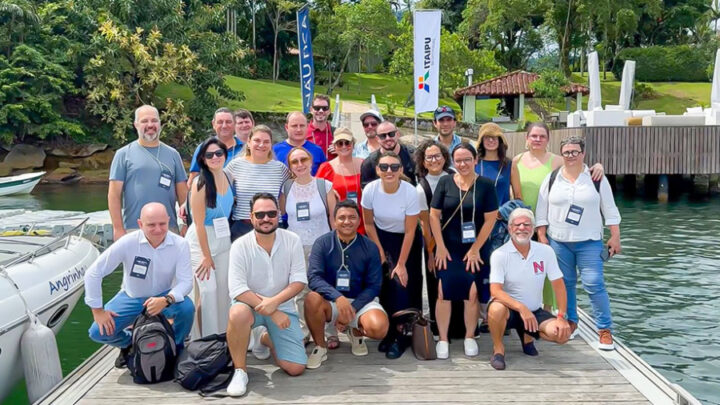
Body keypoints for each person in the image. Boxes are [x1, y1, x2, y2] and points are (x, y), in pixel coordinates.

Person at [536, 136, 622, 351]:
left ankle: (604, 329)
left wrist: (615, 235)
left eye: (575, 152)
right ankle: (571, 322)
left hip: (589, 242)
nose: (571, 156)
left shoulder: (596, 178)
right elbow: (541, 209)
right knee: (565, 284)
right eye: (566, 152)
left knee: (594, 283)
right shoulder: (552, 178)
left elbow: (609, 208)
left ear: (583, 154)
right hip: (559, 241)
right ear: (561, 154)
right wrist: (542, 235)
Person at [85, 203, 194, 367]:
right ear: (140, 224)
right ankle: (130, 344)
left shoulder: (180, 244)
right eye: (151, 225)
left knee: (187, 309)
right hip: (132, 297)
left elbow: (186, 281)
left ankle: (175, 347)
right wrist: (98, 311)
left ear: (169, 221)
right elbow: (93, 273)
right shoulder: (128, 242)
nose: (158, 229)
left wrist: (167, 299)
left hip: (164, 296)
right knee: (97, 332)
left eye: (162, 224)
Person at [510, 122, 604, 311]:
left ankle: (548, 308)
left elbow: (580, 168)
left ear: (548, 140)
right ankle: (523, 305)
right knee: (522, 266)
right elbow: (514, 192)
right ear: (526, 138)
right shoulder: (516, 161)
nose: (537, 140)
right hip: (523, 222)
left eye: (542, 136)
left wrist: (598, 166)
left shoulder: (556, 161)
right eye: (533, 136)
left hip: (550, 222)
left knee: (548, 267)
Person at [226, 193, 307, 396]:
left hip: (283, 307)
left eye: (271, 213)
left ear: (278, 215)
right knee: (237, 313)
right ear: (251, 217)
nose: (266, 219)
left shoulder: (292, 240)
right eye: (260, 214)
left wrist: (275, 304)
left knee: (295, 368)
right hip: (249, 307)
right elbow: (237, 288)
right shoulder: (239, 246)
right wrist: (272, 311)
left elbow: (299, 281)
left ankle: (263, 338)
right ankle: (240, 371)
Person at [429, 142, 498, 359]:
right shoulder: (445, 182)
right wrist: (439, 245)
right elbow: (433, 215)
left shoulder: (486, 185)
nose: (463, 164)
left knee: (472, 292)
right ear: (453, 161)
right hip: (448, 248)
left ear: (475, 160)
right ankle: (442, 338)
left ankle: (470, 335)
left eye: (467, 159)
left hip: (475, 248)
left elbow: (490, 220)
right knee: (443, 292)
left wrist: (477, 248)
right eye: (458, 160)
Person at [304, 200, 389, 369]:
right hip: (332, 301)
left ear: (359, 220)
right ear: (334, 220)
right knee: (311, 299)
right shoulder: (322, 243)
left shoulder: (370, 247)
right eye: (341, 217)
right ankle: (320, 346)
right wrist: (338, 298)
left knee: (378, 328)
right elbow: (314, 277)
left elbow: (374, 285)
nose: (347, 221)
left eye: (352, 217)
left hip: (361, 301)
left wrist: (353, 308)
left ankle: (355, 330)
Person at [487, 208, 571, 370]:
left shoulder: (546, 251)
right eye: (517, 224)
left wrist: (561, 316)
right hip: (510, 310)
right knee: (496, 309)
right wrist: (521, 308)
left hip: (534, 311)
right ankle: (498, 349)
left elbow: (559, 285)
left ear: (533, 229)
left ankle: (527, 336)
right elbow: (495, 291)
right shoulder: (499, 254)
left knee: (561, 335)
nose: (522, 228)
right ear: (510, 228)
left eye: (527, 224)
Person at [361, 151, 422, 359]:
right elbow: (368, 224)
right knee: (385, 285)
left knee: (402, 284)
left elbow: (410, 231)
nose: (389, 171)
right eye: (384, 167)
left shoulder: (410, 191)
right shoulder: (370, 190)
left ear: (401, 170)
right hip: (381, 238)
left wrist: (401, 263)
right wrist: (380, 252)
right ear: (377, 170)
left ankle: (403, 337)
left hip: (407, 241)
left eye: (394, 167)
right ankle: (388, 332)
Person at [279, 146, 336, 341]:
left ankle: (330, 332)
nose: (300, 164)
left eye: (303, 159)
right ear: (290, 166)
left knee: (324, 288)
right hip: (295, 247)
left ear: (311, 162)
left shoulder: (324, 186)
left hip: (322, 246)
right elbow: (282, 216)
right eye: (295, 162)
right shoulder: (286, 188)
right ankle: (304, 332)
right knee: (299, 291)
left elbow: (333, 218)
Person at [108, 105, 187, 239]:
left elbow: (183, 194)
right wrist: (118, 228)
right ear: (136, 124)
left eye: (154, 121)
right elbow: (114, 195)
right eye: (145, 121)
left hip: (168, 228)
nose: (150, 125)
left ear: (160, 124)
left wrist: (186, 224)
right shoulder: (123, 154)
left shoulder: (173, 154)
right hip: (134, 229)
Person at [185, 139, 233, 338]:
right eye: (209, 155)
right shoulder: (200, 183)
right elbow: (197, 223)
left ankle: (223, 336)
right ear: (203, 159)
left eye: (219, 153)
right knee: (207, 292)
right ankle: (203, 340)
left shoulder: (229, 177)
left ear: (225, 155)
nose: (215, 158)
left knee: (224, 291)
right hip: (201, 240)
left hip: (223, 239)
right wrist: (206, 256)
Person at [414, 140, 462, 336]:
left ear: (445, 158)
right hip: (434, 238)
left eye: (437, 156)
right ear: (423, 162)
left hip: (458, 237)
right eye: (429, 157)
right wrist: (431, 252)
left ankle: (460, 326)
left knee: (459, 280)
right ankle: (438, 327)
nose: (434, 160)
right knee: (436, 282)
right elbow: (425, 224)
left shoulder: (456, 177)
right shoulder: (421, 188)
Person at [224, 125, 290, 240]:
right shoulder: (235, 165)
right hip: (242, 228)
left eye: (266, 142)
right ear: (249, 142)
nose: (261, 145)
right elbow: (217, 186)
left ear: (271, 145)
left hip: (272, 227)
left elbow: (294, 190)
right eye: (257, 140)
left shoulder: (280, 168)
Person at [317, 128, 366, 235]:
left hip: (363, 223)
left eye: (347, 143)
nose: (344, 146)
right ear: (334, 147)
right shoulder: (325, 168)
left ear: (353, 144)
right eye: (340, 143)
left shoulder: (364, 165)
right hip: (340, 224)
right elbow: (317, 196)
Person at [187, 107, 245, 187]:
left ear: (235, 123)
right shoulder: (203, 148)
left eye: (228, 122)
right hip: (210, 197)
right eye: (220, 122)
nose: (224, 126)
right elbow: (192, 180)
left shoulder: (245, 149)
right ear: (213, 124)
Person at [360, 121, 417, 188]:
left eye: (391, 134)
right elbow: (366, 191)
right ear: (377, 139)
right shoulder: (369, 163)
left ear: (398, 134)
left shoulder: (414, 156)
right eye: (382, 136)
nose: (388, 138)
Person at [273, 111, 327, 176]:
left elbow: (324, 177)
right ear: (287, 127)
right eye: (294, 126)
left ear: (307, 126)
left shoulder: (317, 151)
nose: (299, 129)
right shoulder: (275, 151)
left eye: (302, 126)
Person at [476, 123, 512, 206]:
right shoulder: (474, 163)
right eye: (487, 137)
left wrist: (504, 211)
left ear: (500, 140)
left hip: (501, 216)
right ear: (481, 140)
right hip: (476, 215)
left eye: (494, 137)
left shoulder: (509, 165)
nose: (491, 140)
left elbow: (518, 196)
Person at [306, 94, 336, 159]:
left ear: (329, 111)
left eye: (325, 108)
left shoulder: (336, 133)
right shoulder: (303, 132)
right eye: (317, 108)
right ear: (311, 110)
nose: (321, 111)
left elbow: (350, 152)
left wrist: (341, 150)